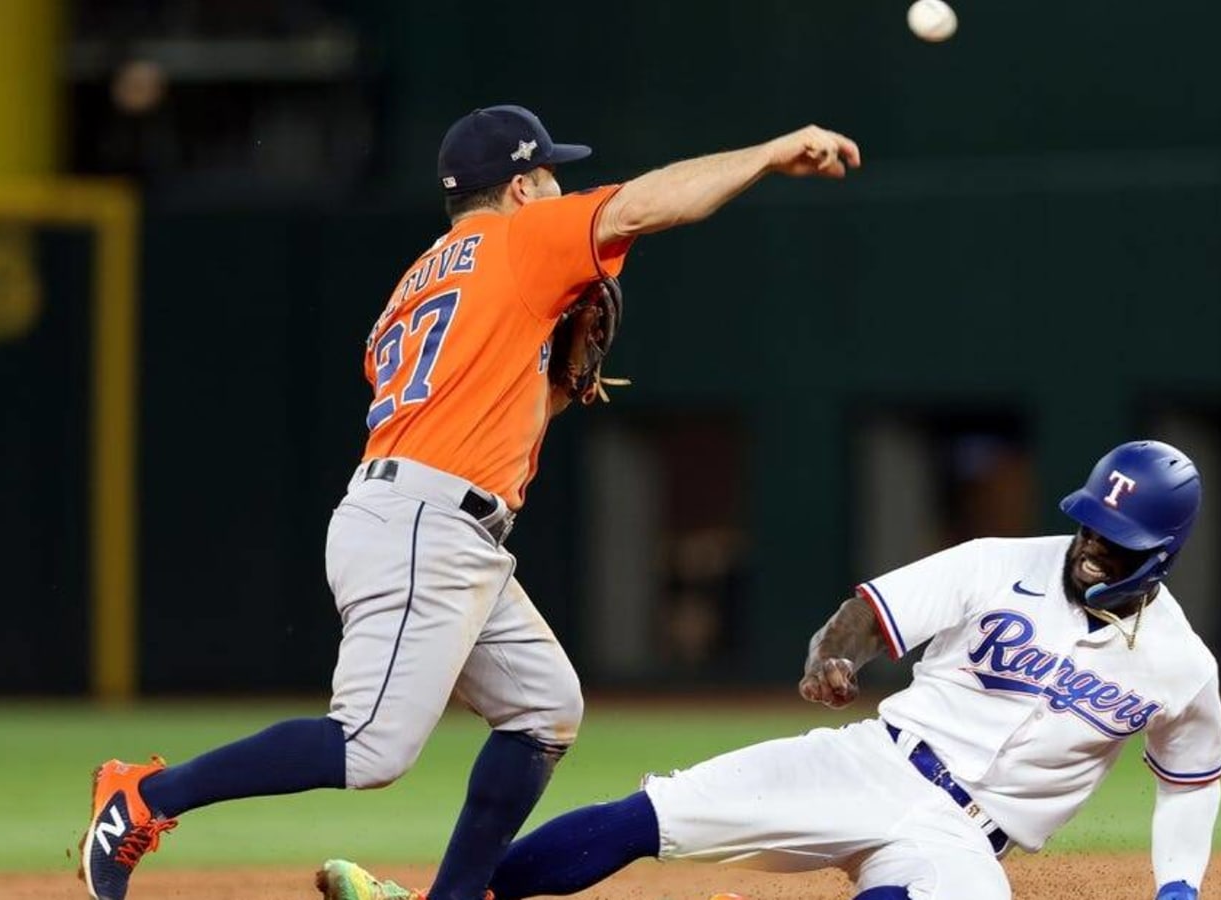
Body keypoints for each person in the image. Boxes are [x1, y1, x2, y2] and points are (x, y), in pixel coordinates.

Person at [78, 105, 862, 900]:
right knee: (368, 750)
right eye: (550, 171)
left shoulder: (414, 285)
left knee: (543, 709)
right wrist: (766, 153)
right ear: (521, 186)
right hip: (425, 525)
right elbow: (643, 203)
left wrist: (550, 386)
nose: (561, 184)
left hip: (428, 518)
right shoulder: (521, 238)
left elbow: (461, 404)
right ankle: (143, 795)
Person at [403, 439, 1221, 900]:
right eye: (1088, 526)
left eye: (1115, 542)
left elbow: (1190, 781)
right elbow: (868, 612)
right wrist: (834, 652)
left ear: (1164, 556)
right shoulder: (997, 562)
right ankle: (457, 898)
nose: (1089, 549)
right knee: (650, 816)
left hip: (967, 843)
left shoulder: (1180, 665)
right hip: (870, 762)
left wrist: (1179, 885)